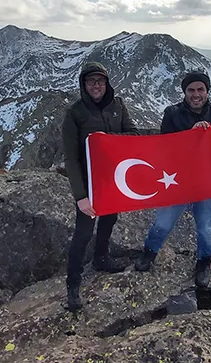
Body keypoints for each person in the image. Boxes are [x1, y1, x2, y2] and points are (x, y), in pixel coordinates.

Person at [134, 71, 211, 288]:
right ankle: (149, 252)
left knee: (205, 226)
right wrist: (190, 136)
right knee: (163, 223)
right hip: (177, 181)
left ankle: (204, 262)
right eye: (191, 90)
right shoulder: (172, 114)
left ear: (207, 91)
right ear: (184, 92)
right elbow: (166, 148)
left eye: (200, 89)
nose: (196, 94)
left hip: (207, 183)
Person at [61, 61, 139, 311]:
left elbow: (134, 136)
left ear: (107, 83)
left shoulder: (118, 106)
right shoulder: (75, 113)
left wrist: (107, 140)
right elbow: (71, 158)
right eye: (91, 81)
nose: (96, 85)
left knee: (109, 219)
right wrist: (80, 196)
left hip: (113, 178)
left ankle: (101, 258)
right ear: (83, 84)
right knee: (83, 232)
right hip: (88, 182)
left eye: (100, 81)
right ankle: (73, 286)